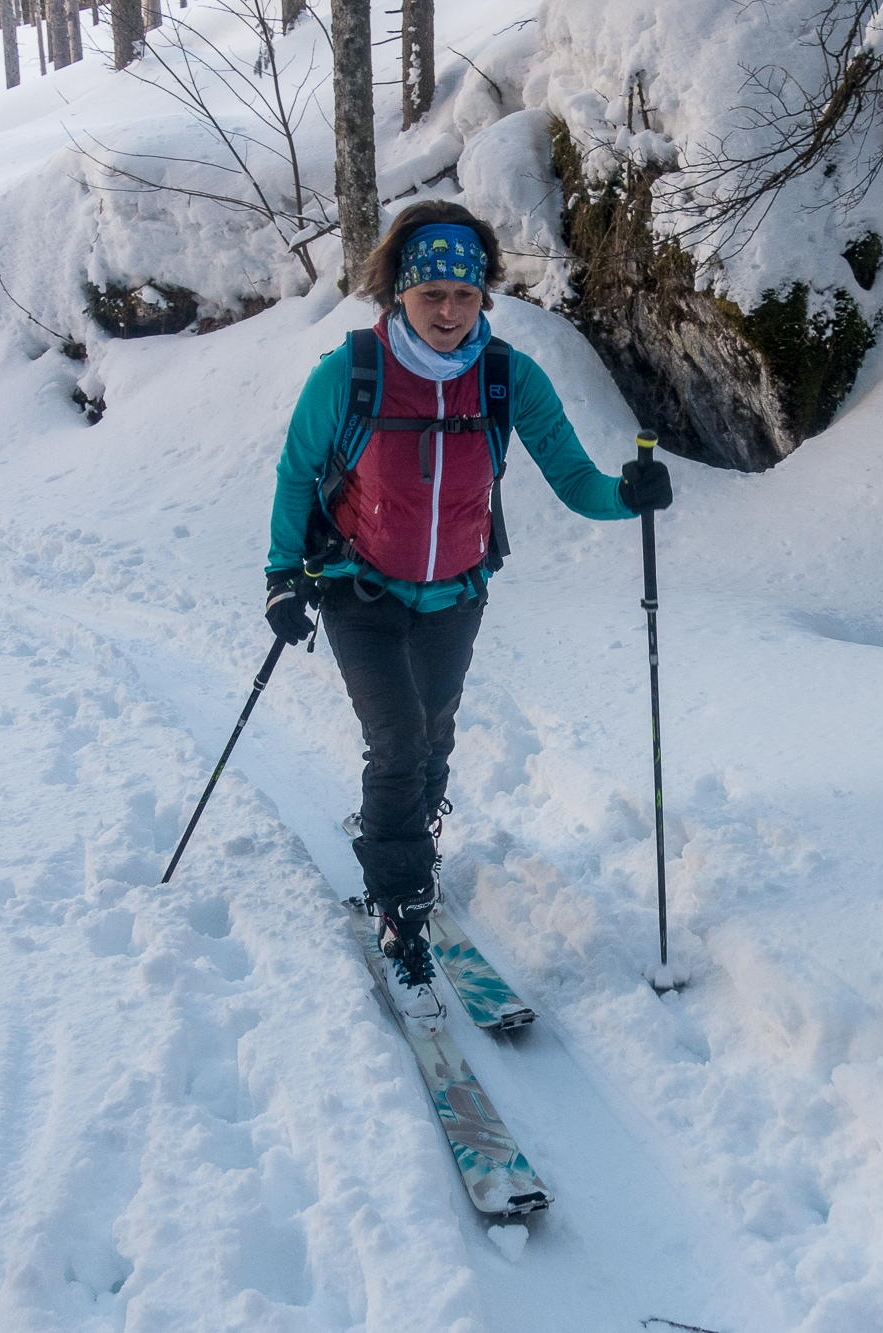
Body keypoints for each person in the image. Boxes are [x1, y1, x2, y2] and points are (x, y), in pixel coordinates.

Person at [264, 200, 673, 1021]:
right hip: (360, 589)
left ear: (483, 294)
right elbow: (297, 473)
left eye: (464, 294)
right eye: (430, 296)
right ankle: (401, 914)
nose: (449, 311)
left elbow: (575, 480)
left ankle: (402, 836)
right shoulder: (350, 372)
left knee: (435, 735)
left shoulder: (506, 376)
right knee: (399, 741)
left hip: (456, 593)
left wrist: (629, 496)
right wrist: (283, 576)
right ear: (399, 295)